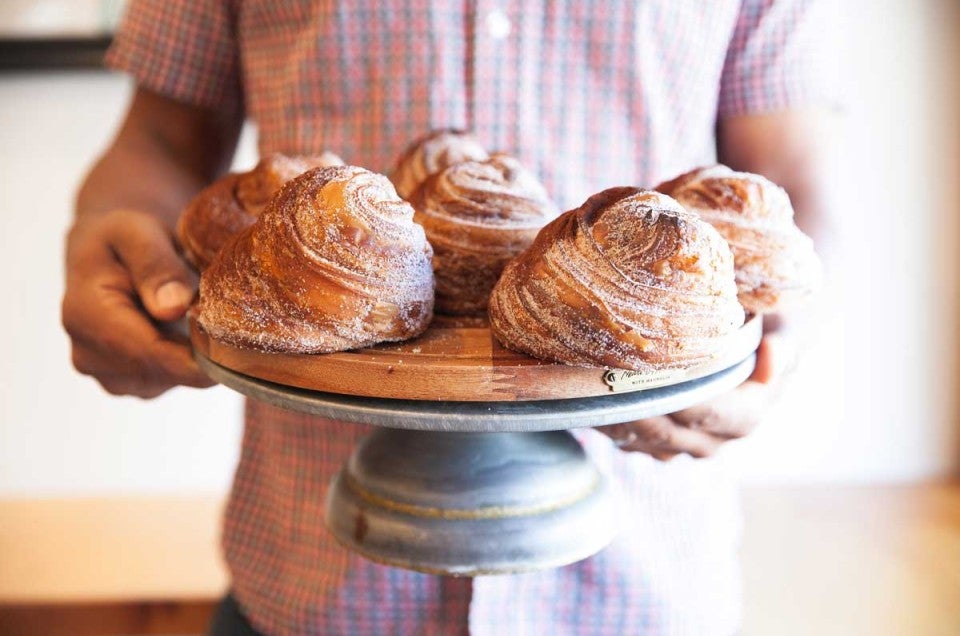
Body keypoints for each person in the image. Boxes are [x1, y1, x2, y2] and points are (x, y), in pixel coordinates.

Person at [62, 1, 834, 634]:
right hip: (311, 582)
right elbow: (161, 140)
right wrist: (115, 238)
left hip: (643, 582)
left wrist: (773, 357)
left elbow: (790, 183)